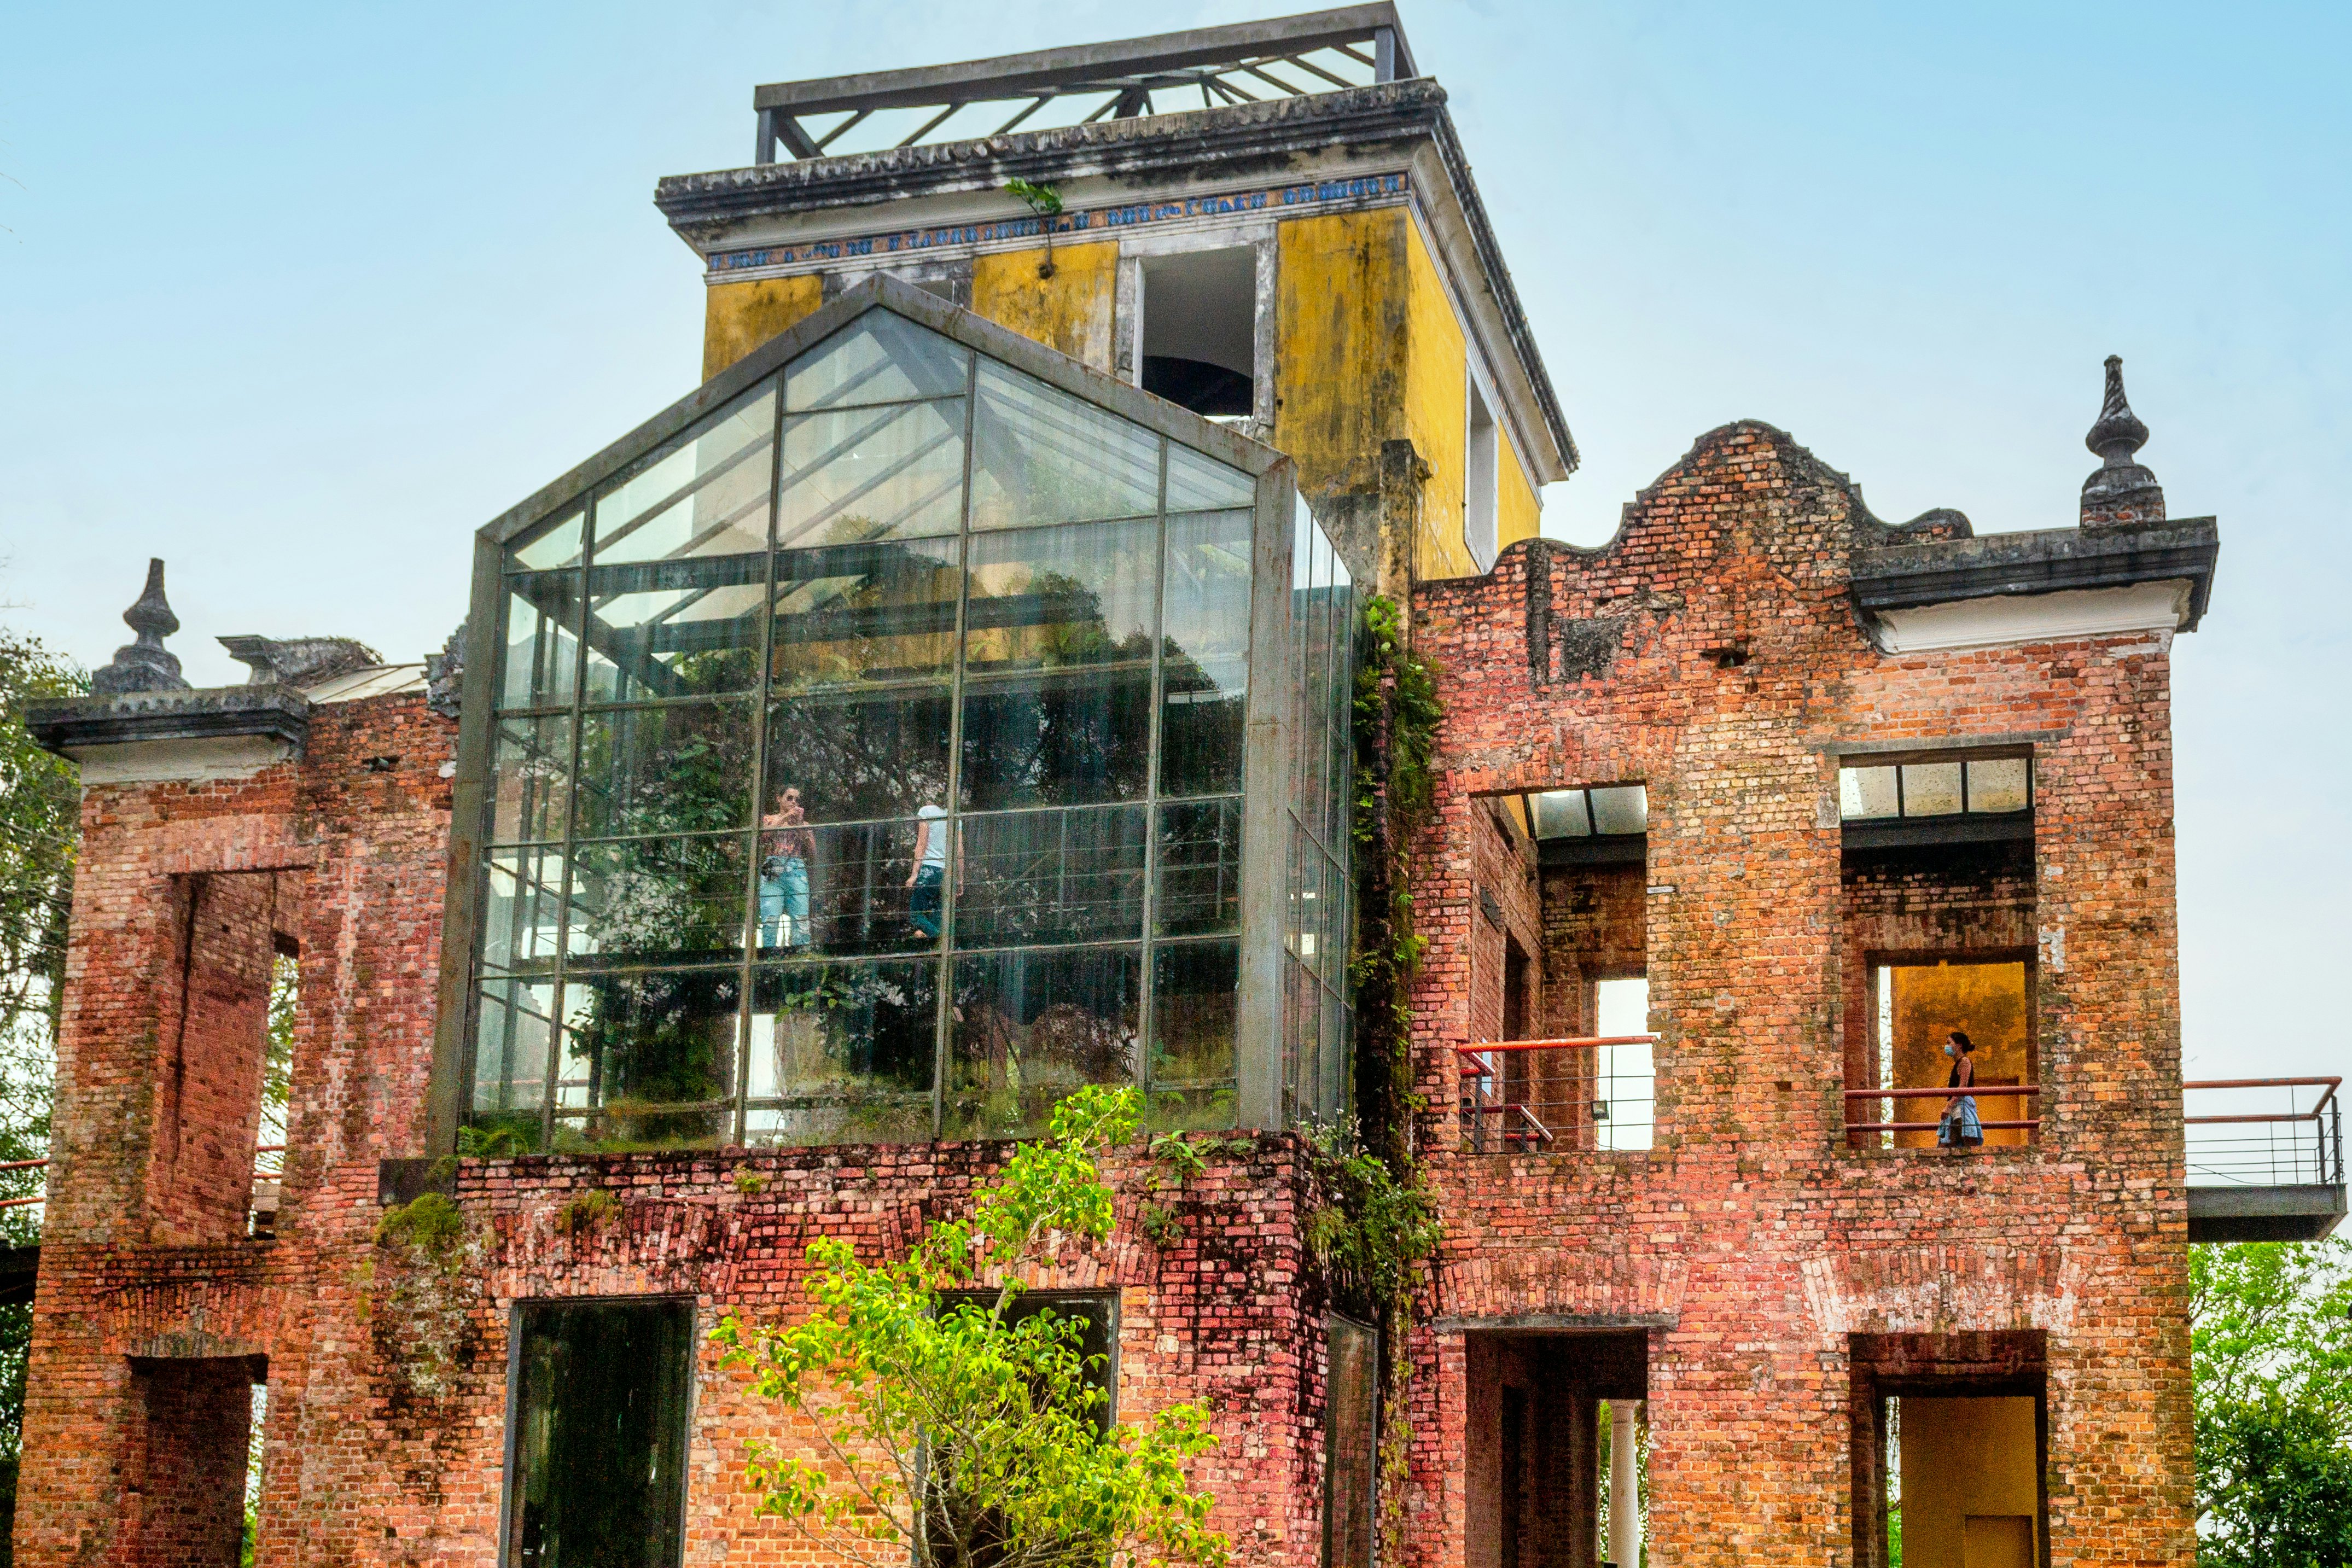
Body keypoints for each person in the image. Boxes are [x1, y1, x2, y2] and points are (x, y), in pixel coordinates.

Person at [759, 787, 814, 948]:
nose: (794, 803)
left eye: (796, 800)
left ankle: (801, 954)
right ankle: (768, 955)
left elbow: (812, 851)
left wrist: (799, 825)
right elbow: (763, 836)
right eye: (790, 798)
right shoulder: (769, 819)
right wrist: (785, 818)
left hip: (796, 866)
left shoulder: (804, 824)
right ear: (779, 798)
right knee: (770, 917)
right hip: (772, 864)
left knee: (801, 917)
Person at [907, 802, 953, 938]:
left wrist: (914, 874)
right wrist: (959, 879)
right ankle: (934, 940)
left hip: (929, 869)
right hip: (946, 871)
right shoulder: (953, 815)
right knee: (937, 913)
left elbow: (922, 843)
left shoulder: (927, 811)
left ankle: (940, 938)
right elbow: (960, 851)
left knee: (916, 914)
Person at [1937, 1029, 1983, 1149]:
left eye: (1949, 1043)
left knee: (1968, 1139)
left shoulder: (1965, 1062)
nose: (1946, 1046)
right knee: (1947, 1142)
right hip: (1956, 1106)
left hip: (1962, 1106)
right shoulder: (1959, 1063)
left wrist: (1948, 1106)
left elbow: (1962, 1087)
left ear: (1959, 1045)